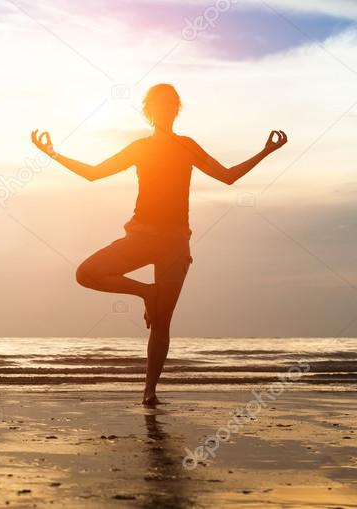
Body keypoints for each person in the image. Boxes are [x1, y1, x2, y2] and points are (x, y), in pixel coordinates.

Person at [31, 83, 287, 406]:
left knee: (162, 322)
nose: (164, 108)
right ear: (148, 110)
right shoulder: (140, 148)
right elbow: (94, 174)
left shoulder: (187, 146)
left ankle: (149, 392)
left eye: (170, 103)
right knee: (86, 273)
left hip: (175, 244)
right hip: (140, 236)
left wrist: (265, 152)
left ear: (175, 109)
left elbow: (228, 177)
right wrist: (53, 154)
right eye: (158, 103)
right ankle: (146, 292)